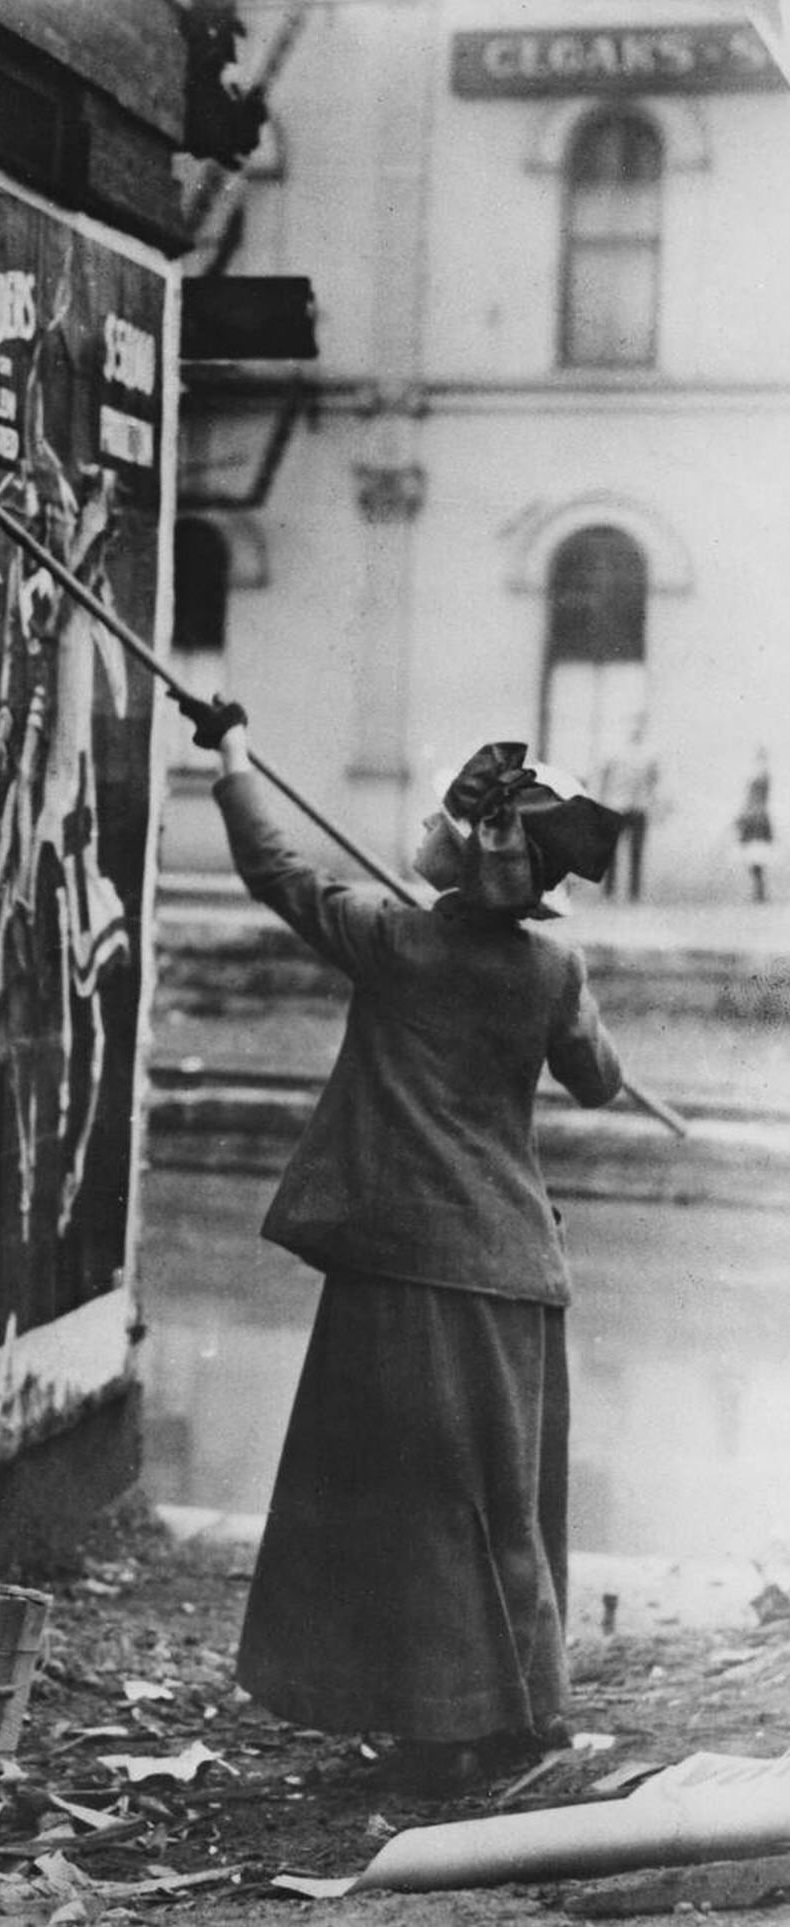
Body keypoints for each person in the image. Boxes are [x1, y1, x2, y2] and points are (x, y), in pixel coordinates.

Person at [175, 691, 624, 1798]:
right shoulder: (551, 973)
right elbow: (598, 1084)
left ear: (457, 852)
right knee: (502, 1502)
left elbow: (274, 873)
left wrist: (233, 751)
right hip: (517, 1271)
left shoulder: (394, 942)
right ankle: (516, 1715)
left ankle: (442, 1731)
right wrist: (575, 1004)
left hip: (410, 1268)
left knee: (422, 1501)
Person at [596, 716, 659, 903]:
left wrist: (649, 799)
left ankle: (633, 892)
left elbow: (653, 780)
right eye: (632, 728)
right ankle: (610, 890)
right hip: (616, 805)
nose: (635, 732)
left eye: (638, 728)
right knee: (612, 851)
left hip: (636, 806)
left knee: (636, 851)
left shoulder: (649, 754)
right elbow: (604, 777)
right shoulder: (613, 753)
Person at [736, 748, 774, 904]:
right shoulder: (758, 782)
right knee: (753, 858)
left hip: (756, 821)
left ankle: (759, 892)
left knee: (757, 857)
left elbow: (759, 793)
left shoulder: (761, 781)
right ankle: (758, 892)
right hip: (754, 820)